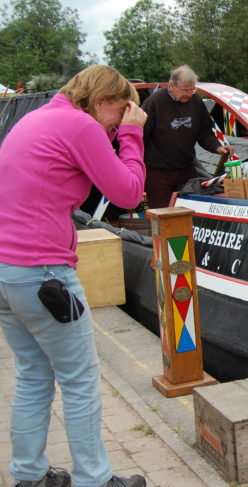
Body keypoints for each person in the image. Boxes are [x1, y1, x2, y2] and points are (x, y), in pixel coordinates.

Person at [0, 66, 148, 487]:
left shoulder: (40, 118)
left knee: (33, 374)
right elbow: (128, 193)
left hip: (6, 271)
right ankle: (94, 479)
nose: (118, 125)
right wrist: (132, 136)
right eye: (119, 113)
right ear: (100, 101)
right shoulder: (80, 125)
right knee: (80, 380)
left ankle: (30, 475)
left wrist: (117, 130)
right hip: (43, 274)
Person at [141, 65, 233, 209]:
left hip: (186, 169)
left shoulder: (196, 101)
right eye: (185, 90)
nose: (189, 94)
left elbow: (205, 132)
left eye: (192, 90)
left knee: (191, 211)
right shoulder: (154, 103)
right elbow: (140, 137)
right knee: (162, 214)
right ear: (172, 85)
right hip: (158, 173)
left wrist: (218, 147)